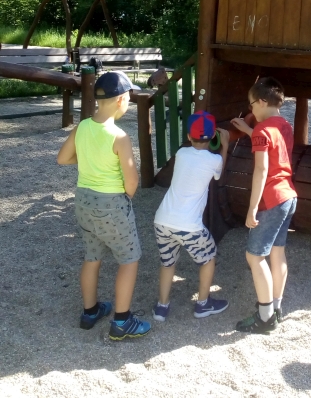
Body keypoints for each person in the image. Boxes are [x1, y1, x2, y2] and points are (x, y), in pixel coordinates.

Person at [57, 71, 151, 341]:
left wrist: (90, 160)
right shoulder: (119, 136)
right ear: (121, 100)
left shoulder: (82, 127)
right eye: (129, 97)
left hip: (84, 201)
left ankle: (90, 312)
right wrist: (126, 198)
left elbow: (62, 158)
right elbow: (132, 180)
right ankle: (122, 321)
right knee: (129, 260)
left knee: (92, 257)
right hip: (111, 203)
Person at [230, 77, 297, 334]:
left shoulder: (261, 131)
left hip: (271, 200)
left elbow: (261, 170)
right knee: (277, 252)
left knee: (255, 256)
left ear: (260, 102)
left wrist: (252, 208)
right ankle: (276, 307)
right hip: (288, 196)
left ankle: (265, 316)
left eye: (251, 105)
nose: (250, 110)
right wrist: (250, 132)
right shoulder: (284, 125)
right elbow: (273, 146)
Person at [152, 111, 230, 322]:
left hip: (162, 220)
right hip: (188, 225)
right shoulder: (214, 160)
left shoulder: (181, 154)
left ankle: (161, 307)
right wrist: (225, 145)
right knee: (208, 258)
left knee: (168, 262)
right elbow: (219, 174)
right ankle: (203, 304)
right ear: (213, 136)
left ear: (188, 136)